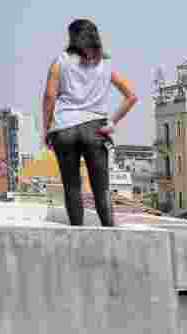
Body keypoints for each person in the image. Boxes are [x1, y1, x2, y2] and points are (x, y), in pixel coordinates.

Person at [42, 19, 138, 228]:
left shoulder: (60, 62)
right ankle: (110, 234)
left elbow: (49, 97)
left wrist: (46, 128)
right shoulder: (106, 63)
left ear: (73, 37)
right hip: (95, 129)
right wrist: (112, 122)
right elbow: (131, 96)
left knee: (71, 186)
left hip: (64, 129)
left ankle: (78, 235)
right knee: (101, 187)